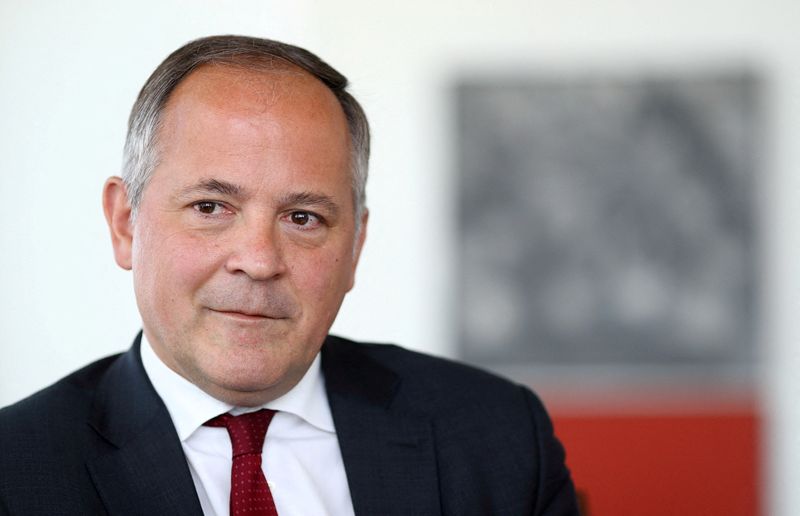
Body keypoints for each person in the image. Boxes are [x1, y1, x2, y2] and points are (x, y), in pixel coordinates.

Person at [0, 35, 578, 515]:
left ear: (355, 245)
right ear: (126, 223)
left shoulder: (496, 438)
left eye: (303, 217)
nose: (258, 259)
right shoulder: (16, 469)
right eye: (210, 207)